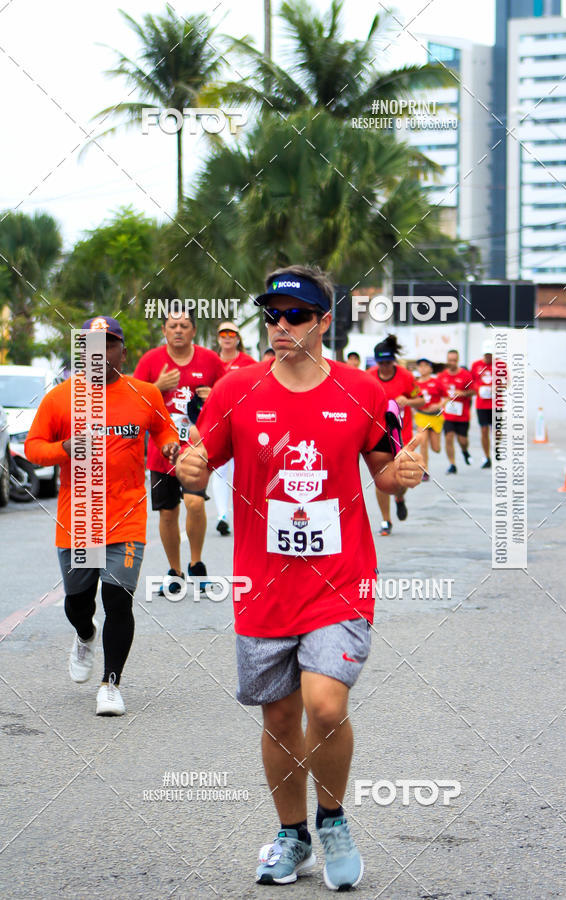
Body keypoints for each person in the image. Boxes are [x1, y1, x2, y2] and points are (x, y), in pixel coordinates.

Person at [176, 265, 424, 891]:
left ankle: (333, 819)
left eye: (294, 315)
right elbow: (200, 471)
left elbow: (386, 473)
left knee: (325, 703)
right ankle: (293, 838)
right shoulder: (235, 389)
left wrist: (406, 471)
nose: (280, 326)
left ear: (322, 320)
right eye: (272, 315)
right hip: (262, 582)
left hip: (341, 579)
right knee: (281, 719)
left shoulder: (363, 391)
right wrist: (190, 467)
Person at [25, 316, 178, 716]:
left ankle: (111, 684)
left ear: (122, 353)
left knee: (118, 598)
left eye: (108, 344)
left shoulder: (145, 394)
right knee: (78, 602)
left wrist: (176, 449)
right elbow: (33, 447)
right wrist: (65, 448)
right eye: (92, 345)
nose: (100, 352)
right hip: (78, 518)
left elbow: (163, 434)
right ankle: (84, 634)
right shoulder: (60, 397)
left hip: (127, 514)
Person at [134, 305, 225, 593]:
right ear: (164, 330)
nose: (178, 330)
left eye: (184, 325)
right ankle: (174, 571)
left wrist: (214, 396)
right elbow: (133, 402)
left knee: (195, 503)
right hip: (162, 450)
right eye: (172, 326)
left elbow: (228, 397)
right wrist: (156, 386)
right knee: (167, 513)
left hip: (196, 449)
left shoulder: (210, 360)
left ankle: (196, 565)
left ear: (194, 331)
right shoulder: (151, 361)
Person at [366, 335, 424, 534]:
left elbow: (421, 400)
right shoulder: (369, 377)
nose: (385, 367)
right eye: (381, 363)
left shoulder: (406, 376)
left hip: (402, 435)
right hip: (378, 435)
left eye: (388, 362)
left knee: (401, 477)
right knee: (380, 477)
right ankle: (385, 521)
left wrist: (408, 402)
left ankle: (399, 496)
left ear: (394, 360)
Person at [213, 321, 256, 535]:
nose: (227, 337)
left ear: (238, 338)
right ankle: (222, 515)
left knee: (243, 469)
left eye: (231, 333)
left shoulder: (248, 362)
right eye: (223, 334)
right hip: (217, 424)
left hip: (242, 423)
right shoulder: (212, 362)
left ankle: (245, 514)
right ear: (218, 338)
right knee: (219, 469)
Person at [437, 349, 474, 474]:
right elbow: (437, 392)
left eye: (454, 360)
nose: (452, 362)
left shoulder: (465, 375)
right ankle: (452, 464)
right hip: (448, 415)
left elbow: (474, 391)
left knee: (463, 441)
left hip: (462, 415)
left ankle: (464, 451)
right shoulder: (441, 376)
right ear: (447, 361)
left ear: (457, 361)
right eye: (449, 360)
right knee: (449, 437)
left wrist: (463, 393)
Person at [413, 358, 444, 481]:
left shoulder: (436, 382)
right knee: (423, 442)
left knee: (436, 449)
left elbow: (447, 397)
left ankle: (435, 441)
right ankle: (424, 470)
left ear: (431, 369)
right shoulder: (415, 384)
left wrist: (439, 404)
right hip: (421, 416)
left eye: (426, 366)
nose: (423, 368)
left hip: (436, 417)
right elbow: (411, 398)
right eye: (420, 366)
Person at [470, 339, 494, 469]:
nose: (488, 357)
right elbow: (471, 382)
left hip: (497, 404)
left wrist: (496, 387)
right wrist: (478, 388)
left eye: (490, 355)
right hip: (481, 404)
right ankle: (487, 456)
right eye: (486, 355)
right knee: (484, 430)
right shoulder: (476, 365)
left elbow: (506, 381)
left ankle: (497, 451)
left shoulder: (499, 365)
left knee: (496, 430)